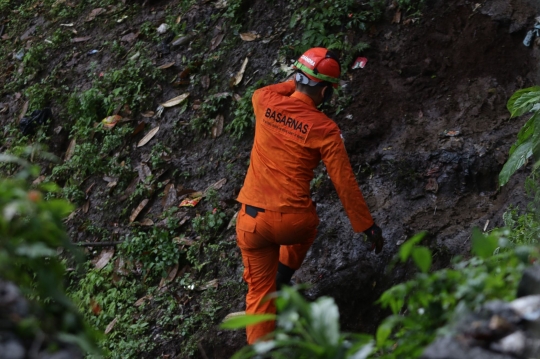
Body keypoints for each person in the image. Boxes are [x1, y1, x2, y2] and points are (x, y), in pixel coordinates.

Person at [235, 47, 384, 344]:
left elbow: (278, 88)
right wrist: (366, 225)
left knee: (259, 296)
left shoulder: (263, 100)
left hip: (251, 222)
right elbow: (344, 182)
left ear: (296, 77)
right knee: (308, 222)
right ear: (327, 94)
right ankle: (284, 274)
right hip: (293, 222)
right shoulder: (325, 129)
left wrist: (302, 79)